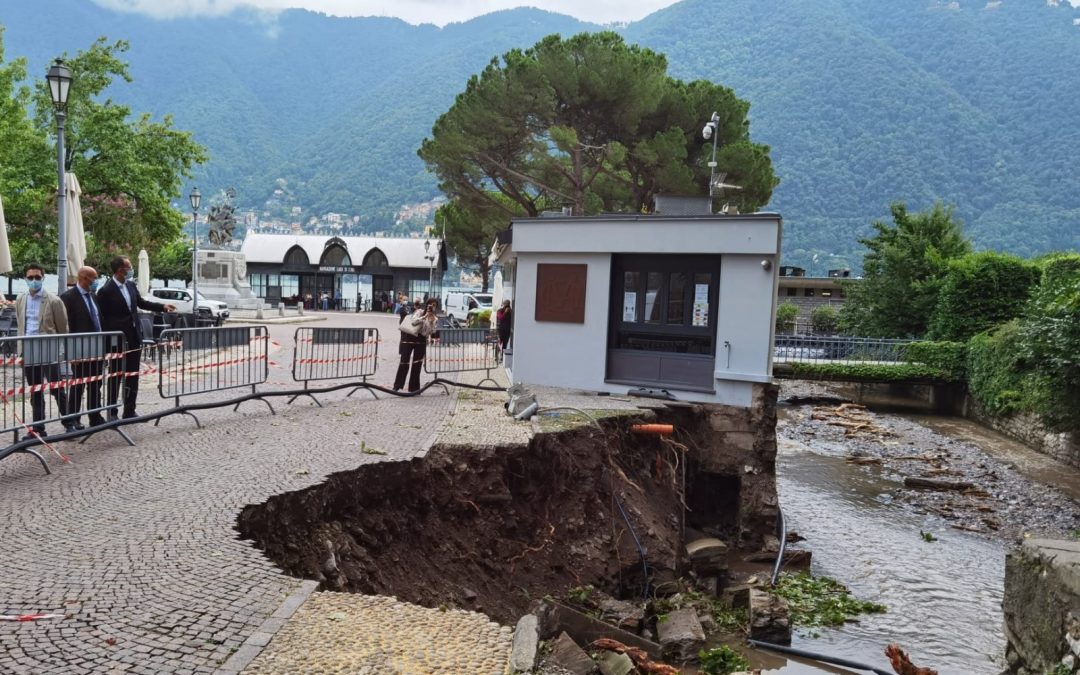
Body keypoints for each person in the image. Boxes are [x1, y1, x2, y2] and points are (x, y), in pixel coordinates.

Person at [96, 256, 175, 419]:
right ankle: (112, 411)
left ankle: (129, 409)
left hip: (134, 337)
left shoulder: (131, 285)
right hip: (117, 339)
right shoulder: (106, 291)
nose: (131, 270)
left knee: (133, 375)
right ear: (120, 270)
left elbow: (141, 303)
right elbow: (101, 316)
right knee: (115, 375)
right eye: (129, 267)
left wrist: (162, 306)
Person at [15, 263, 73, 436]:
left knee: (57, 388)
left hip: (48, 350)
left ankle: (69, 422)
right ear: (25, 278)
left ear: (43, 278)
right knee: (35, 390)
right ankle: (38, 428)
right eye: (30, 277)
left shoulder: (54, 300)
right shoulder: (21, 299)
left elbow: (63, 328)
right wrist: (21, 351)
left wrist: (62, 351)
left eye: (37, 277)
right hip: (28, 350)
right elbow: (21, 325)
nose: (34, 280)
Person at [60, 266, 107, 428]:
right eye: (94, 278)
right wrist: (71, 352)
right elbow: (67, 327)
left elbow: (98, 320)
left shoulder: (93, 296)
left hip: (97, 348)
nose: (96, 281)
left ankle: (95, 416)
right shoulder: (68, 297)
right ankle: (73, 418)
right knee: (78, 385)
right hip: (79, 350)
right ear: (84, 278)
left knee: (95, 384)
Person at [393, 299, 438, 392]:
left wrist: (430, 321)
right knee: (404, 361)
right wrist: (424, 317)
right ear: (426, 305)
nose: (431, 307)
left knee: (417, 364)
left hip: (421, 340)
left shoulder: (435, 319)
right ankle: (397, 386)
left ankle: (414, 388)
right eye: (430, 304)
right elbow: (413, 322)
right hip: (409, 337)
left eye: (434, 305)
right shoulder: (419, 312)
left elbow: (430, 332)